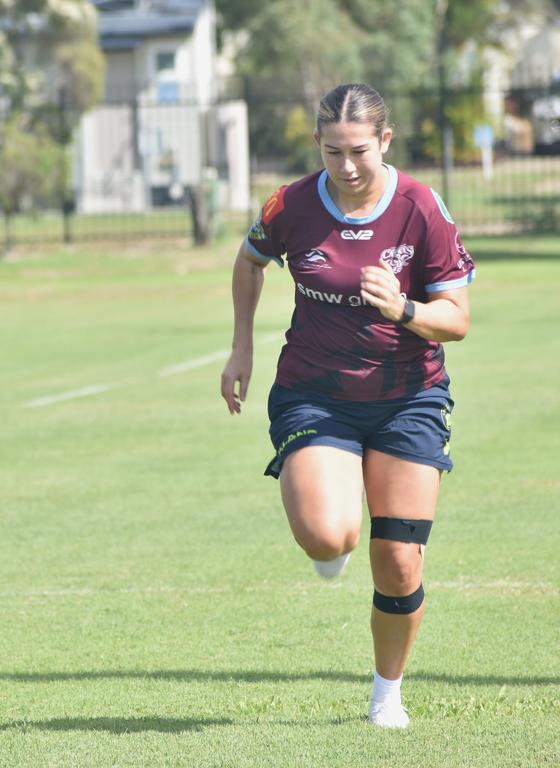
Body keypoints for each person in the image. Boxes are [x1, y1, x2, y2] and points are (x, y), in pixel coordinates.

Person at [220, 83, 474, 729]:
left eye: (359, 150)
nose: (348, 165)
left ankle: (386, 693)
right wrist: (241, 348)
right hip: (316, 393)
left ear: (385, 141)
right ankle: (328, 539)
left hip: (407, 397)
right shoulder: (293, 203)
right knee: (330, 534)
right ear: (318, 145)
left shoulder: (421, 208)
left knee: (398, 560)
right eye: (333, 152)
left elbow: (457, 319)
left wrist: (405, 308)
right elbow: (250, 262)